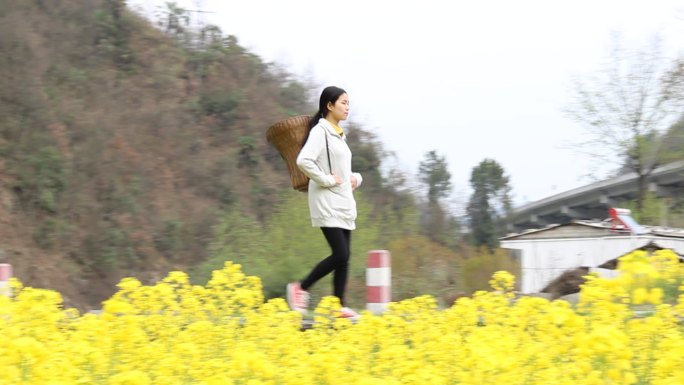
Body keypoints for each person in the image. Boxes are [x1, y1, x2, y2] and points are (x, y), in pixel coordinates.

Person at [286, 86, 363, 319]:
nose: (347, 107)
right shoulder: (321, 131)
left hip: (343, 201)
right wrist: (327, 180)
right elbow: (304, 161)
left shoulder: (338, 134)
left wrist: (356, 178)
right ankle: (301, 287)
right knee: (340, 254)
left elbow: (344, 171)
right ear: (329, 106)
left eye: (349, 103)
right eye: (343, 102)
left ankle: (339, 306)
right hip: (326, 200)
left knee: (345, 255)